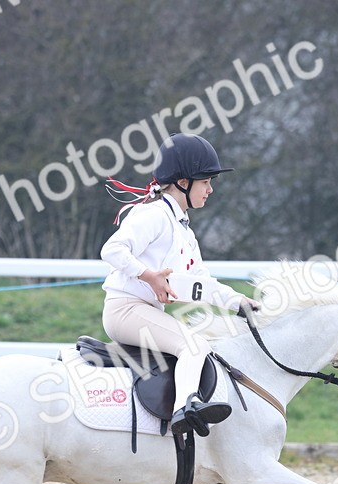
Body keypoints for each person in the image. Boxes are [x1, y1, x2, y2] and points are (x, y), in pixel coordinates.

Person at [100, 133, 256, 437]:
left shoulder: (184, 231)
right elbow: (112, 250)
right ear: (183, 181)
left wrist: (238, 302)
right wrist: (149, 276)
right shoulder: (153, 214)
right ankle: (184, 410)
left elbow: (202, 283)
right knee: (195, 345)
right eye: (206, 182)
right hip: (126, 310)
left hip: (144, 311)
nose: (211, 189)